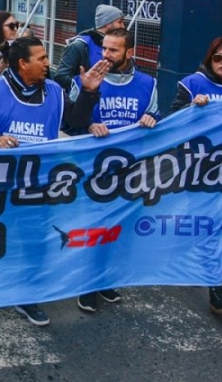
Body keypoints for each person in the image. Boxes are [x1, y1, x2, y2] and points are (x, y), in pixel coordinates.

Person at [0, 36, 108, 327]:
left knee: (35, 242)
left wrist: (88, 93)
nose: (48, 63)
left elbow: (73, 122)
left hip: (39, 184)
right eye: (42, 58)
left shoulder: (55, 91)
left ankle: (27, 295)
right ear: (22, 63)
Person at [69, 28, 159, 313]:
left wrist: (152, 117)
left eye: (113, 50)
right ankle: (86, 283)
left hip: (130, 172)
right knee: (92, 228)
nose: (105, 55)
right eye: (103, 49)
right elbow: (72, 122)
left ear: (129, 53)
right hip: (92, 171)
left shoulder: (148, 83)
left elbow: (158, 119)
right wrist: (87, 125)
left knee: (118, 230)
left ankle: (104, 279)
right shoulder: (83, 80)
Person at [167, 36, 222, 314]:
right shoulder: (193, 84)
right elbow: (172, 119)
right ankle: (189, 261)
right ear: (209, 58)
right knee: (201, 223)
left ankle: (214, 285)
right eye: (218, 57)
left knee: (219, 227)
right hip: (196, 168)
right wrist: (192, 108)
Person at [55, 4, 126, 91]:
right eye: (120, 22)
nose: (123, 26)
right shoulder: (80, 45)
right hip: (85, 101)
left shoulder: (121, 46)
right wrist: (86, 82)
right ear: (107, 23)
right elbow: (60, 77)